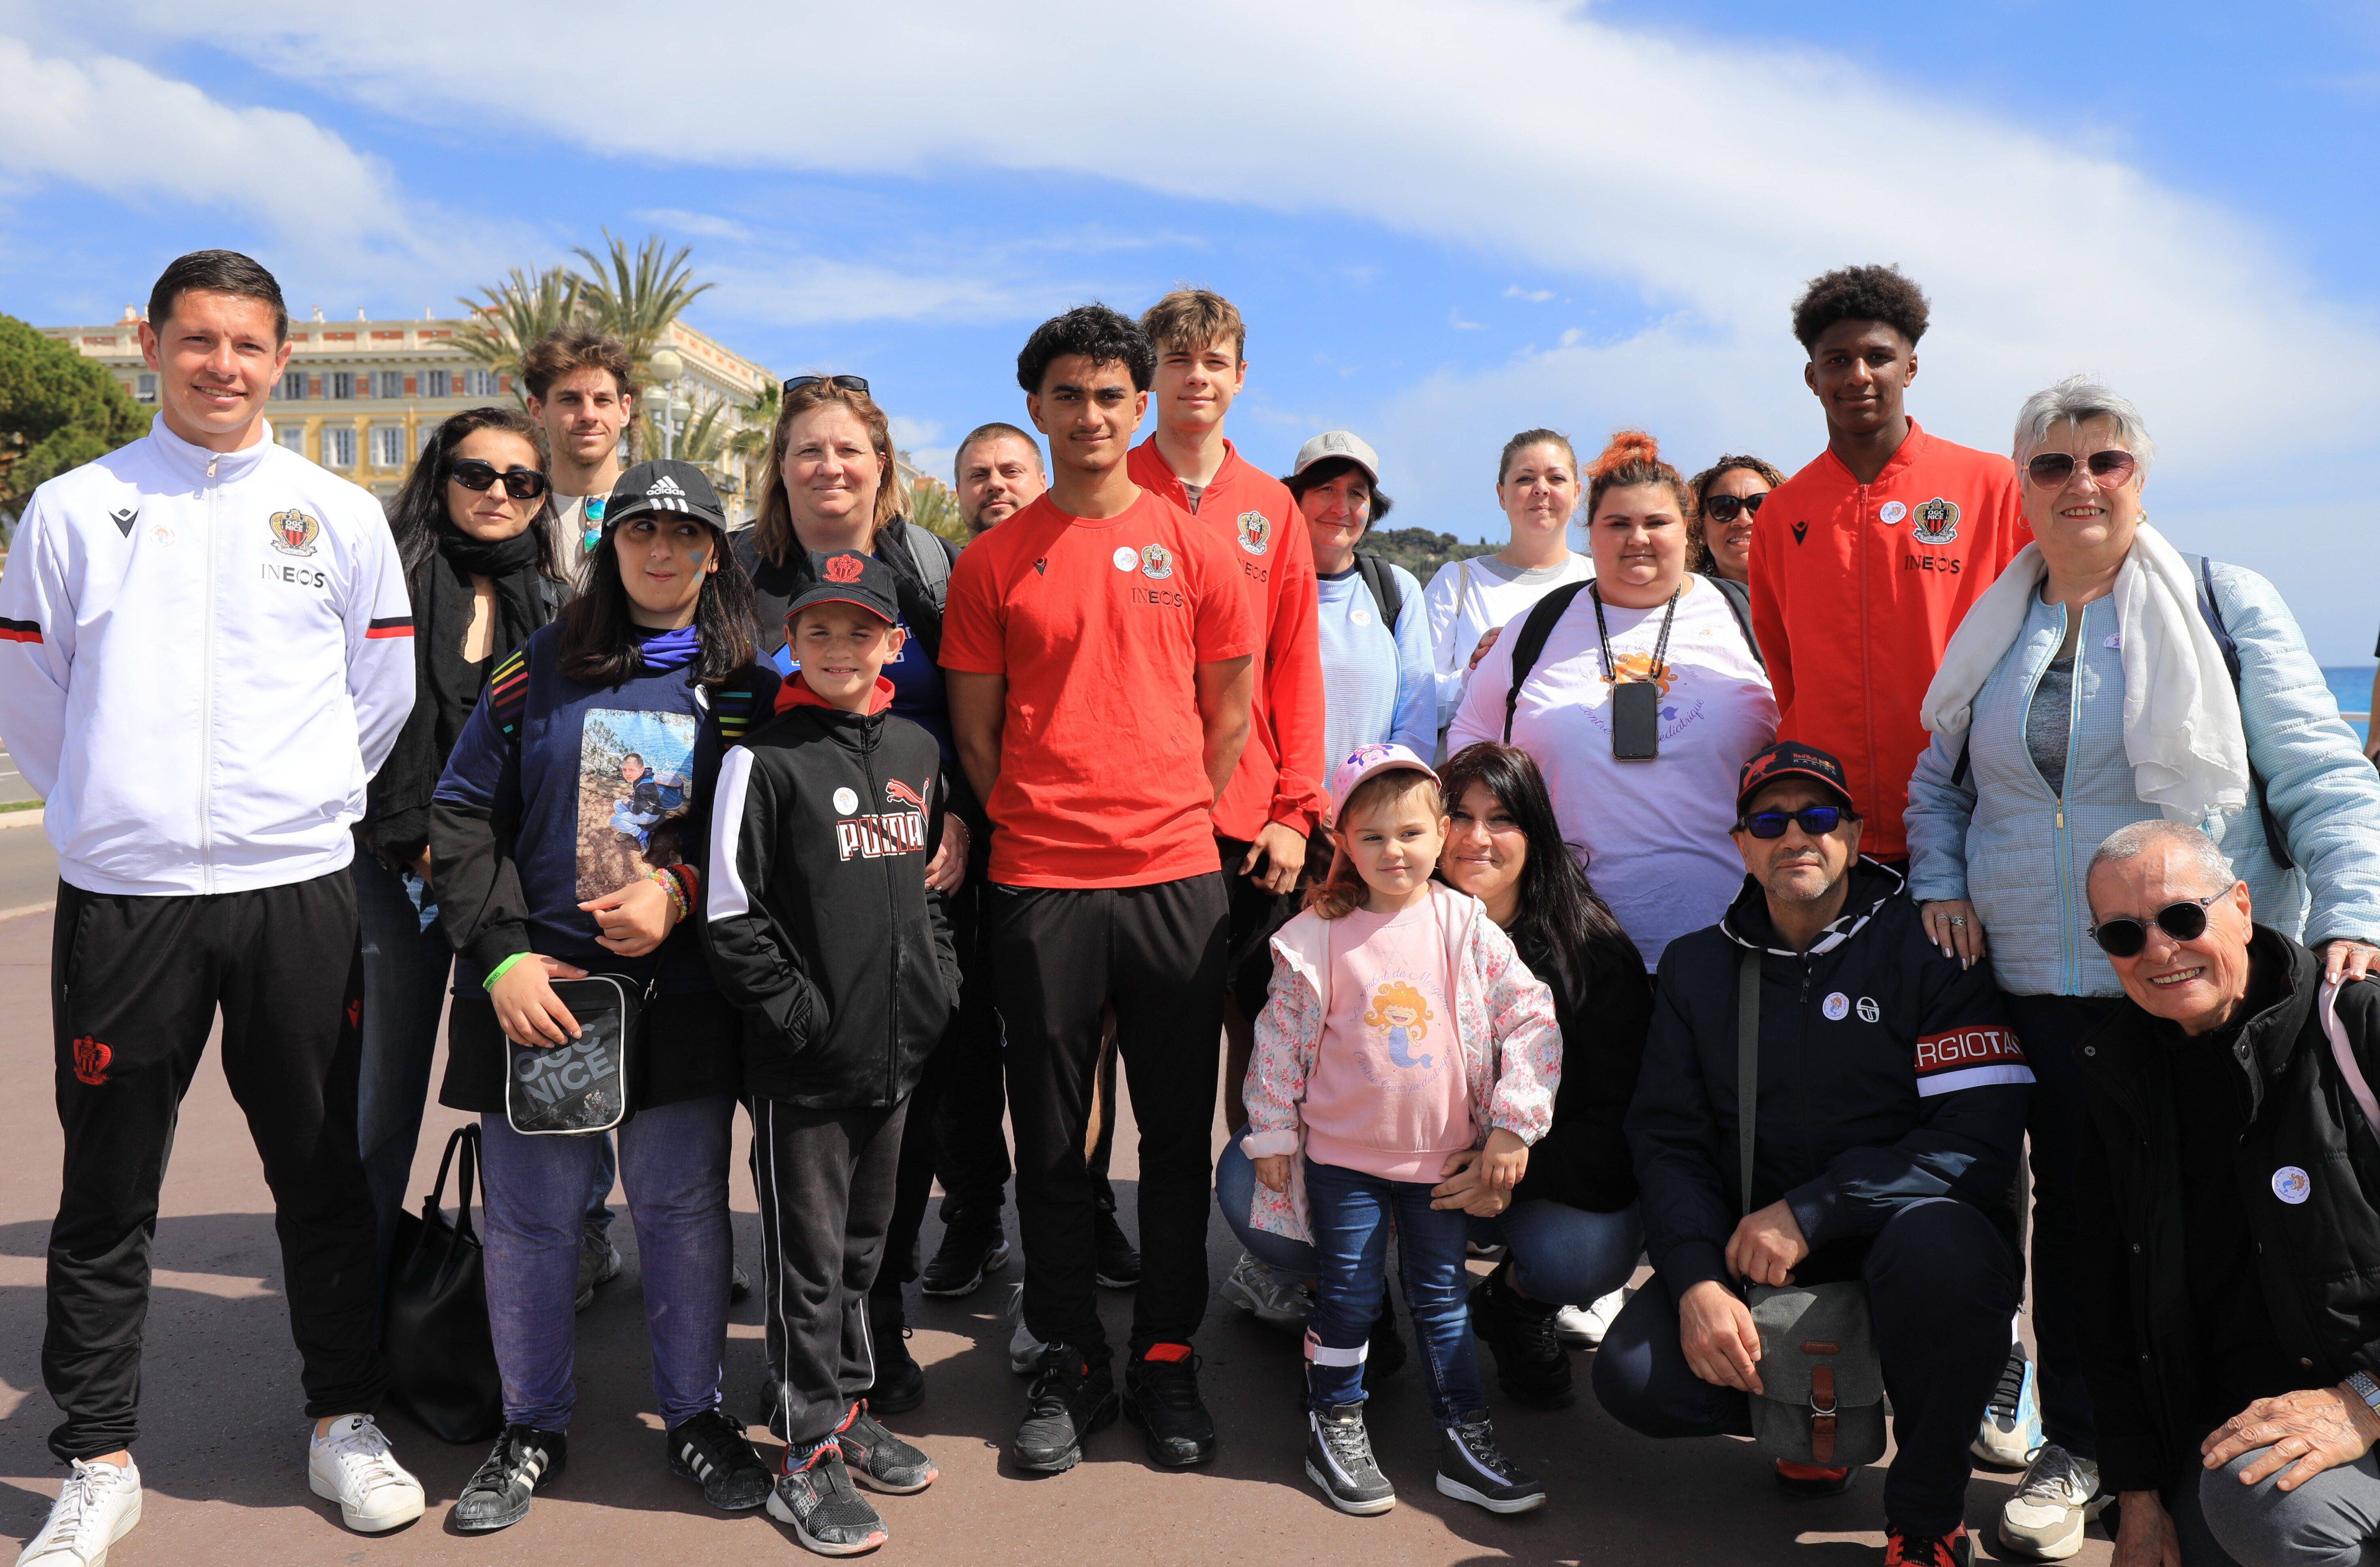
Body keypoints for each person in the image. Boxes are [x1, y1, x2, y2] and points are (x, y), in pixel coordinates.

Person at [1904, 376, 2380, 1559]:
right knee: (2082, 1224)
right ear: (2019, 486)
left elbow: (2323, 773)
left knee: (2238, 1212)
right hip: (2042, 974)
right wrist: (1940, 882)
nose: (2080, 484)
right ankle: (2087, 1451)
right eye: (2053, 465)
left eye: (2104, 461)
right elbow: (1938, 784)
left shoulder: (2222, 602)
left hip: (2198, 982)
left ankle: (2287, 1439)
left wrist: (2359, 913)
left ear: (2139, 477)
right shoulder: (1996, 626)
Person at [0, 249, 426, 1566]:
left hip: (293, 890)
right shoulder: (74, 508)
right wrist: (106, 816)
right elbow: (34, 703)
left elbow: (379, 695)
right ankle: (97, 1457)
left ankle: (342, 1420)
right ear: (151, 345)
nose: (222, 367)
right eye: (198, 341)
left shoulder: (335, 513)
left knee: (320, 1174)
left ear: (281, 359)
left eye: (247, 346)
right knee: (108, 1186)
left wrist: (289, 806)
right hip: (128, 900)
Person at [426, 459, 776, 1533]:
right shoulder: (536, 671)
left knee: (678, 1212)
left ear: (714, 552)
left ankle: (694, 1416)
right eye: (640, 533)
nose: (661, 552)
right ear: (608, 546)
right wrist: (500, 958)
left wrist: (675, 891)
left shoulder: (745, 687)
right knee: (531, 1223)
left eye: (684, 535)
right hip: (548, 994)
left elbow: (767, 837)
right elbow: (461, 817)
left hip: (675, 995)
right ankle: (532, 1422)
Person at [941, 302, 1254, 1475]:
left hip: (1176, 879)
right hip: (1040, 884)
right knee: (1055, 1145)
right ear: (1036, 407)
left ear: (1140, 404)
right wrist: (1053, 822)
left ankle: (1166, 1353)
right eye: (1066, 395)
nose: (1090, 414)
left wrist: (1164, 810)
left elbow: (1227, 716)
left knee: (1172, 1139)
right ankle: (1069, 1355)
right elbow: (978, 742)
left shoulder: (1198, 547)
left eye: (1110, 395)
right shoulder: (992, 559)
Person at [1598, 740, 2030, 1567]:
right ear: (1741, 843)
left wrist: (1815, 1208)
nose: (1796, 835)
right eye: (1769, 819)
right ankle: (1812, 1421)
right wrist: (1693, 1278)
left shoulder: (1937, 943)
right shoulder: (1695, 966)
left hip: (1904, 1242)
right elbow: (1669, 1141)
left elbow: (1977, 1137)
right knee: (1638, 1371)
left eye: (1819, 815)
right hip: (1765, 1258)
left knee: (1947, 1259)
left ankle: (1928, 1512)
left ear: (1857, 833)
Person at [1214, 742, 1654, 1406]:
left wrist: (1505, 1165)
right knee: (1251, 1177)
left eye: (1502, 817)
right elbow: (1266, 1001)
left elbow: (1617, 1124)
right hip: (1375, 1159)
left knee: (1583, 1251)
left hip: (1516, 1175)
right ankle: (1358, 1305)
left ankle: (1517, 1304)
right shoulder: (1369, 913)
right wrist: (1337, 898)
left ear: (1535, 832)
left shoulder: (1588, 953)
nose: (1478, 838)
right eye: (1461, 815)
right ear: (1436, 826)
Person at [730, 373, 1001, 1410]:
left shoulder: (922, 569)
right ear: (781, 465)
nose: (830, 467)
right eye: (809, 450)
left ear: (883, 465)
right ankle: (805, 1371)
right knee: (800, 1153)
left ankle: (876, 1324)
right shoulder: (738, 575)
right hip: (783, 898)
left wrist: (966, 814)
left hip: (906, 881)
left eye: (851, 450)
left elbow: (974, 713)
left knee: (904, 1127)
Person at [707, 549, 961, 1556]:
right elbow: (731, 914)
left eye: (861, 630)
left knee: (863, 1251)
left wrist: (935, 991)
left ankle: (846, 1409)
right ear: (792, 642)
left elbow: (931, 892)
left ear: (893, 642)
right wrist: (800, 1016)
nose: (841, 646)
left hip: (896, 1056)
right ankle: (803, 1451)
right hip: (805, 1065)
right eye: (819, 630)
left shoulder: (914, 748)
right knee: (807, 1264)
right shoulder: (760, 760)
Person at [1239, 744, 1559, 1517]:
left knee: (1441, 1297)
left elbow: (1529, 1016)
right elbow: (1279, 1038)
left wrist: (1514, 1125)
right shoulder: (1316, 934)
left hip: (1440, 1162)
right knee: (1346, 1295)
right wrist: (1273, 1134)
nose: (1395, 852)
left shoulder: (1464, 924)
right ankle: (1334, 1418)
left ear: (1441, 832)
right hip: (1342, 1160)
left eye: (1413, 834)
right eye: (1374, 836)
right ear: (1341, 838)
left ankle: (1461, 1431)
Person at [2073, 821, 2380, 1567]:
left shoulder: (2355, 1025)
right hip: (2241, 1434)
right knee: (2239, 1505)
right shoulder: (2114, 1073)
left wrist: (2365, 1400)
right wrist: (2136, 1494)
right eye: (2121, 934)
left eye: (2182, 917)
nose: (2158, 950)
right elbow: (2096, 1290)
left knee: (2267, 1508)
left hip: (2359, 1403)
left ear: (2241, 905)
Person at [352, 406, 567, 1277]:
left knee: (526, 1093)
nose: (497, 493)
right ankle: (353, 1314)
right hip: (392, 868)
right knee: (381, 1101)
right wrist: (416, 841)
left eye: (521, 481)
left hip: (511, 883)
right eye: (476, 473)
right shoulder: (383, 581)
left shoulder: (558, 605)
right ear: (440, 477)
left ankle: (535, 1296)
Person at [1447, 431, 1777, 972]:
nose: (1637, 538)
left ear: (1688, 530)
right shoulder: (1535, 630)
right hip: (1566, 947)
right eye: (1618, 524)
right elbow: (1471, 739)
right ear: (1591, 532)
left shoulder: (1753, 620)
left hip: (1733, 941)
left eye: (1657, 523)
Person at [1748, 264, 2031, 866]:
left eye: (1878, 356)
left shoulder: (1993, 485)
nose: (1858, 376)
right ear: (1811, 375)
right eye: (1836, 360)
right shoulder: (1782, 511)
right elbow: (1783, 668)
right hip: (1830, 829)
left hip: (1967, 817)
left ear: (1910, 366)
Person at [1128, 288, 1327, 1142]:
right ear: (1149, 376)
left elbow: (1296, 668)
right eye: (1177, 359)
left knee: (1259, 1033)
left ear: (1241, 378)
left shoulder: (1272, 506)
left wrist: (1294, 809)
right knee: (1115, 1033)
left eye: (1213, 361)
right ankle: (1100, 1226)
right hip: (1131, 816)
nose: (1196, 377)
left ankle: (1259, 1242)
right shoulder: (1111, 482)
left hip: (1246, 822)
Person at [1422, 429, 1594, 756]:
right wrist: (1473, 675)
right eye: (1525, 478)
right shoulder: (1457, 581)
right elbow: (1418, 699)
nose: (1541, 489)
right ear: (1501, 495)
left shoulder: (1598, 582)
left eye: (1556, 478)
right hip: (1479, 788)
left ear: (1577, 494)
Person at [1287, 430, 1434, 765]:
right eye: (1326, 488)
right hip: (1280, 812)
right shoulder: (1265, 586)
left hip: (1371, 812)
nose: (1341, 507)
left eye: (1356, 493)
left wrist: (1365, 797)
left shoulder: (1398, 589)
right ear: (1295, 498)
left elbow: (1417, 724)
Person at [522, 327, 634, 589]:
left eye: (603, 400)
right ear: (537, 410)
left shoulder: (656, 511)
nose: (589, 415)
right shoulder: (515, 515)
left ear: (624, 409)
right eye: (570, 399)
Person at [1687, 454, 1785, 584]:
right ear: (1701, 530)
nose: (1744, 520)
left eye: (1760, 505)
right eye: (1724, 508)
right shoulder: (1680, 602)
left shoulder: (1814, 589)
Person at [954, 422, 1046, 538]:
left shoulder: (1074, 553)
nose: (995, 483)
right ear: (959, 491)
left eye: (1012, 471)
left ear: (1042, 484)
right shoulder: (934, 555)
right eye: (978, 475)